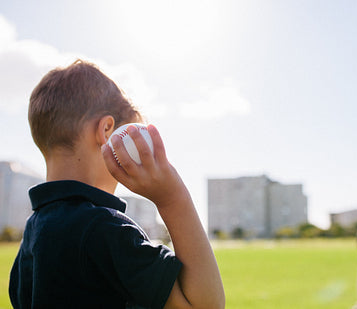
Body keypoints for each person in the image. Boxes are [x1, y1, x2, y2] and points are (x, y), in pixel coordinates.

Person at [9, 60, 225, 309]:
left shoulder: (31, 237)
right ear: (107, 131)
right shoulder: (105, 229)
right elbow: (206, 305)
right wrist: (173, 200)